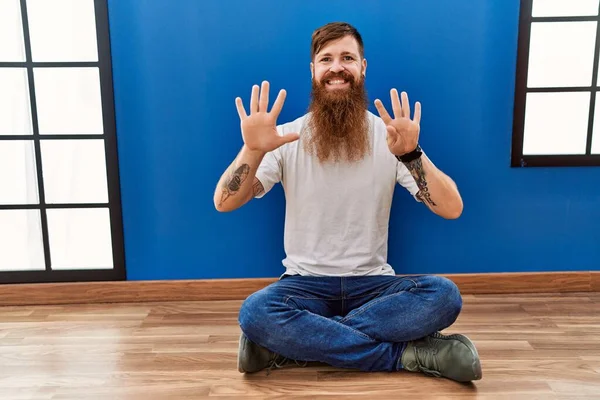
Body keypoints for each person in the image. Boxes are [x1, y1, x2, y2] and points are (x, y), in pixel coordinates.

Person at [213, 21, 481, 382]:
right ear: (313, 71)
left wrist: (412, 155)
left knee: (444, 296)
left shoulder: (391, 140)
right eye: (326, 59)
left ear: (362, 67)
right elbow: (224, 202)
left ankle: (292, 345)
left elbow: (452, 208)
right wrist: (253, 149)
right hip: (303, 285)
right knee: (256, 312)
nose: (336, 67)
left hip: (374, 287)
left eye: (347, 58)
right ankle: (409, 354)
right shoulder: (286, 137)